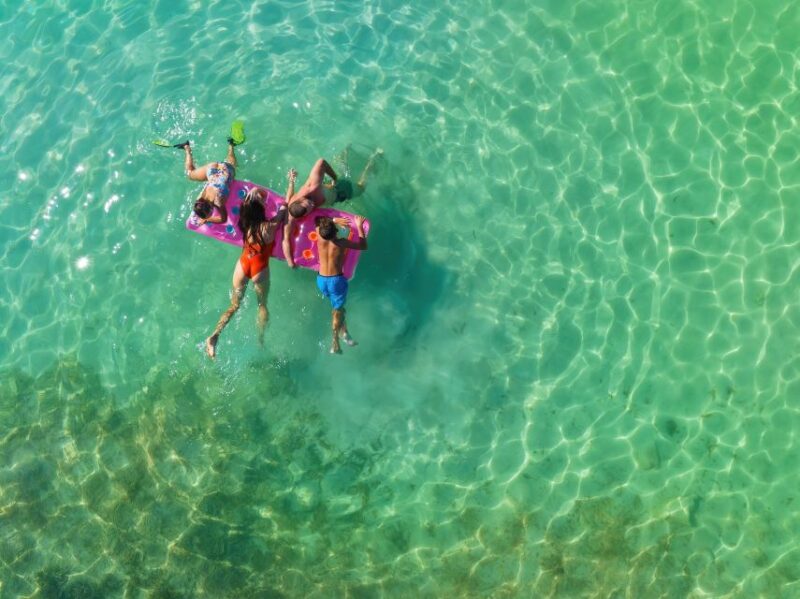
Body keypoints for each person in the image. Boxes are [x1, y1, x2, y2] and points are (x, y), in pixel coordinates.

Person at [205, 188, 287, 359]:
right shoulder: (269, 227)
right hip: (259, 269)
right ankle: (260, 339)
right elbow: (283, 208)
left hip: (242, 265)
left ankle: (215, 335)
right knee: (261, 305)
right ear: (260, 209)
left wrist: (253, 199)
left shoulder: (245, 222)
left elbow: (255, 195)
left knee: (234, 305)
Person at [282, 148, 382, 267]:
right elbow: (285, 239)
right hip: (327, 191)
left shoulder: (311, 187)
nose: (312, 205)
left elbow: (321, 162)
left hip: (340, 192)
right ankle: (344, 153)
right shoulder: (292, 212)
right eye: (310, 207)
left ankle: (374, 159)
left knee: (361, 188)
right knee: (342, 171)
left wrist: (335, 179)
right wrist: (290, 261)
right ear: (303, 214)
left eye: (309, 203)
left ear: (301, 199)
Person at [314, 214, 368, 354]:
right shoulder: (341, 243)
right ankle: (335, 343)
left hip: (321, 280)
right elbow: (363, 245)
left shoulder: (319, 237)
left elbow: (318, 222)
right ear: (336, 232)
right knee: (337, 312)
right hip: (336, 281)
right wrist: (360, 227)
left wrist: (333, 220)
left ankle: (345, 332)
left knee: (339, 309)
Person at [178, 136, 240, 225]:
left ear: (211, 208)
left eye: (210, 214)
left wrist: (208, 219)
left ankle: (231, 145)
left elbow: (223, 219)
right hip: (212, 169)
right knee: (190, 174)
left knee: (231, 165)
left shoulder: (218, 202)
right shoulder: (200, 199)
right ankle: (187, 147)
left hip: (227, 170)